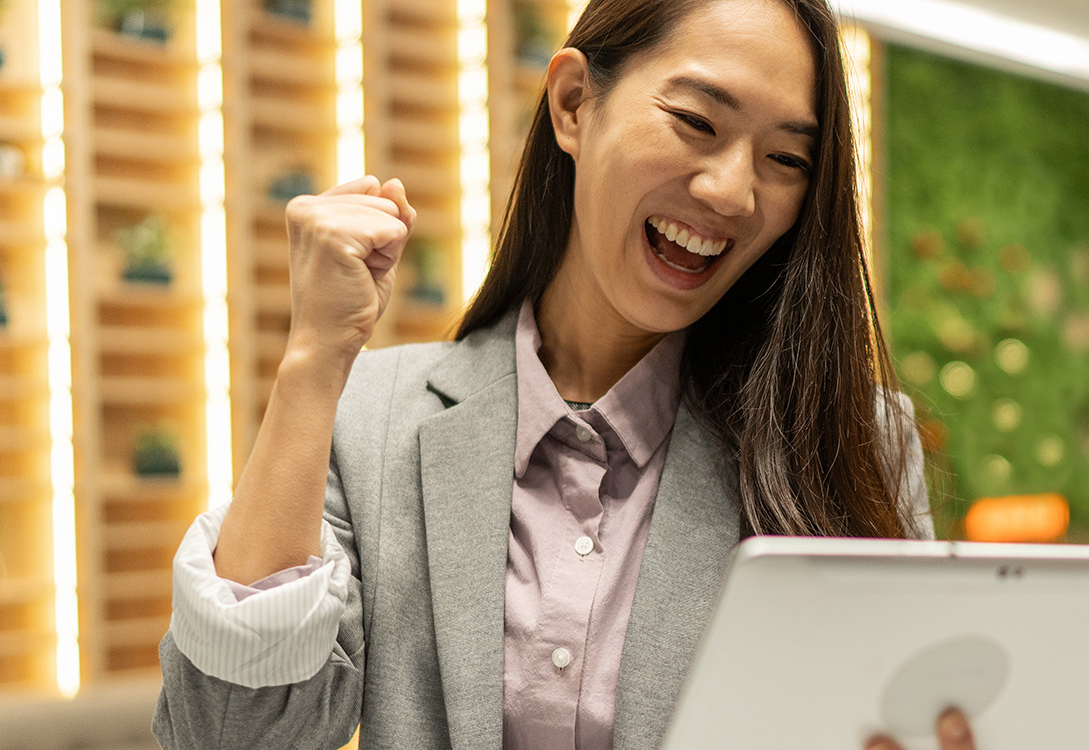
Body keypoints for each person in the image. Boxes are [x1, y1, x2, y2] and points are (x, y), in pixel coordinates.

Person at [153, 0, 978, 748]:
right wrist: (312, 363)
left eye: (787, 160)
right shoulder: (373, 420)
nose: (733, 191)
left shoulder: (852, 441)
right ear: (574, 103)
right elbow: (232, 734)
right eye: (696, 120)